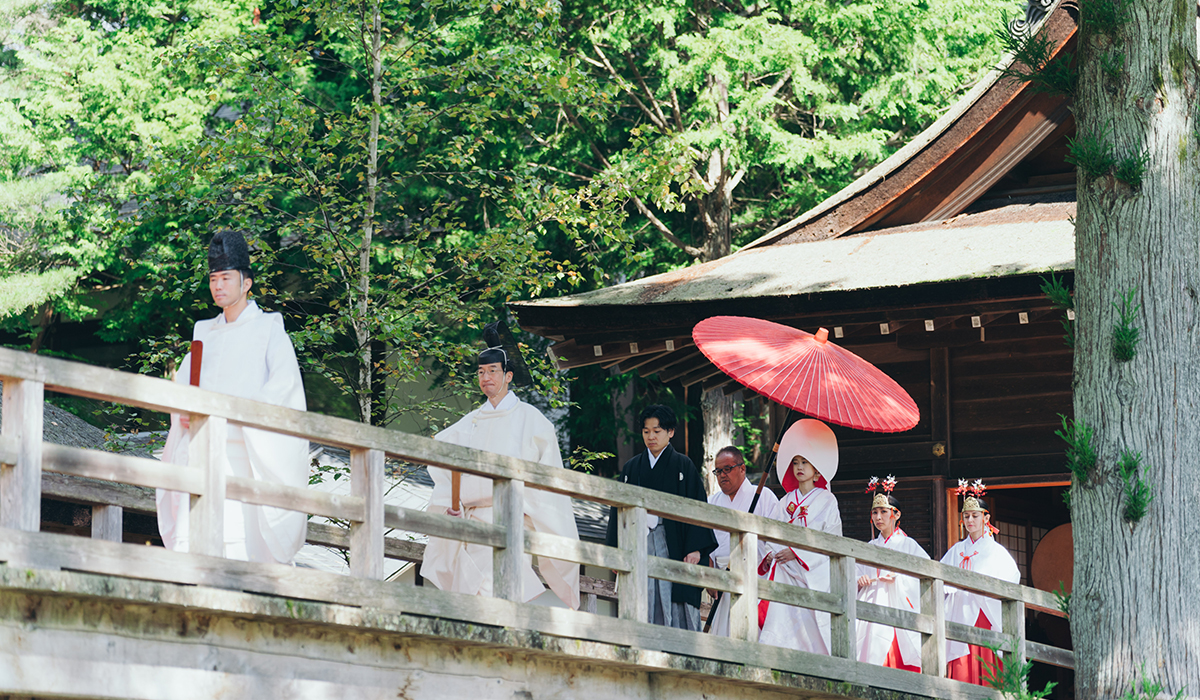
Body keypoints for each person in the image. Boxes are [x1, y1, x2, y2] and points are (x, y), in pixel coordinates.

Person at [157, 229, 309, 564]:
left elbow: (284, 390)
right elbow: (183, 389)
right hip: (201, 450)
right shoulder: (203, 334)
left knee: (242, 547)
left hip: (245, 453)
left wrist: (240, 419)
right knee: (195, 547)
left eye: (226, 277)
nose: (219, 286)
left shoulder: (269, 328)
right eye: (213, 279)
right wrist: (182, 411)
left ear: (247, 282)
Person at [421, 323, 580, 609]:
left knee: (503, 595)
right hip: (470, 520)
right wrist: (451, 502)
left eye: (493, 371)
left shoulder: (531, 421)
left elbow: (549, 479)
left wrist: (525, 505)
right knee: (469, 601)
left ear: (508, 376)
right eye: (481, 372)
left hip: (509, 518)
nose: (486, 377)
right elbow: (444, 458)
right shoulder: (468, 423)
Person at [605, 404, 716, 630]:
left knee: (675, 597)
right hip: (639, 541)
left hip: (673, 542)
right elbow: (617, 510)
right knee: (640, 594)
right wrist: (615, 549)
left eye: (657, 431)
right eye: (646, 432)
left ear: (670, 432)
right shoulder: (631, 468)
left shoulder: (683, 466)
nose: (651, 437)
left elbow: (697, 507)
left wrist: (695, 548)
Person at [758, 418, 843, 654]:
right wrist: (769, 554)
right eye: (795, 462)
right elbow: (770, 533)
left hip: (810, 569)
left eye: (805, 462)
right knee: (781, 614)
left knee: (812, 620)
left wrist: (796, 552)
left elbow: (831, 538)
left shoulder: (827, 500)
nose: (799, 467)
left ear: (817, 469)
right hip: (784, 568)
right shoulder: (785, 501)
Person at [940, 479, 1019, 685]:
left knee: (987, 660)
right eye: (966, 516)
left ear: (986, 518)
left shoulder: (996, 551)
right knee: (961, 660)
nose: (970, 520)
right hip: (960, 610)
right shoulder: (956, 550)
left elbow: (1012, 577)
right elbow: (940, 577)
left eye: (975, 516)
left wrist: (984, 588)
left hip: (984, 611)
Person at [856, 476, 930, 672]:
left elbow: (925, 574)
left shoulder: (908, 544)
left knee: (896, 650)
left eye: (883, 512)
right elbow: (856, 571)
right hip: (872, 600)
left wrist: (899, 578)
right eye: (875, 512)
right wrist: (859, 579)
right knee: (870, 649)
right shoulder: (870, 546)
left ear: (896, 515)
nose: (878, 517)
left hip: (897, 602)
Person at [705, 445, 778, 636]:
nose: (722, 475)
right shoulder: (712, 502)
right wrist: (711, 575)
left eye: (727, 469)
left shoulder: (763, 497)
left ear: (742, 468)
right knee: (722, 635)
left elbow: (777, 539)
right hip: (723, 576)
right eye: (718, 471)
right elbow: (708, 544)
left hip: (756, 575)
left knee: (754, 633)